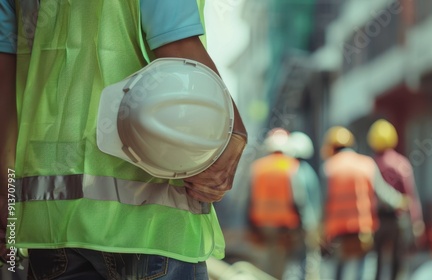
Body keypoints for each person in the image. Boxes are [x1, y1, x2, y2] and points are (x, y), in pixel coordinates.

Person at [0, 1, 247, 279]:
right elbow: (179, 53)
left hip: (51, 218)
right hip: (149, 224)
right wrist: (235, 131)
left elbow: (5, 86)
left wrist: (6, 199)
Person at [320, 126, 407, 280]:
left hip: (337, 231)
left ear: (332, 147)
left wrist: (320, 232)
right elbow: (383, 193)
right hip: (362, 228)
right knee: (362, 271)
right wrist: (400, 201)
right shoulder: (366, 164)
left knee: (338, 271)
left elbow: (324, 202)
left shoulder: (329, 168)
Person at [367, 119, 425, 280]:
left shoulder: (369, 165)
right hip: (396, 221)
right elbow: (410, 196)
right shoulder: (400, 163)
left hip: (375, 221)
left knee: (375, 263)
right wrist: (417, 222)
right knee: (397, 263)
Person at [247, 128, 305, 279]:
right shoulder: (292, 166)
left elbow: (250, 199)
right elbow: (298, 198)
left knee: (265, 263)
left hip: (262, 226)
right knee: (281, 266)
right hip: (284, 227)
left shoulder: (257, 167)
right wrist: (301, 224)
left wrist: (251, 226)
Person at [285, 131, 322, 280]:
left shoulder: (296, 171)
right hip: (311, 224)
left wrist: (304, 224)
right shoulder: (309, 171)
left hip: (303, 226)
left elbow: (299, 200)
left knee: (298, 262)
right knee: (308, 261)